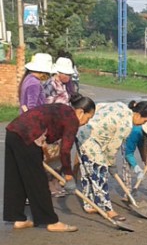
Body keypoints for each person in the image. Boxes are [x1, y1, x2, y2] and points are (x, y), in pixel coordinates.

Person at [3, 94, 95, 232]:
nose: (86, 122)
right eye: (88, 118)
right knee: (38, 181)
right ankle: (51, 222)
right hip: (27, 138)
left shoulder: (64, 109)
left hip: (13, 132)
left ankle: (18, 218)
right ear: (81, 112)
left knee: (16, 178)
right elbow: (65, 150)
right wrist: (68, 175)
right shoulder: (72, 119)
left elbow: (47, 125)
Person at [76, 100, 147, 221]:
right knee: (100, 174)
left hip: (81, 132)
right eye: (144, 121)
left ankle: (89, 204)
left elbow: (100, 106)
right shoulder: (126, 125)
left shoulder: (121, 105)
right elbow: (113, 148)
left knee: (88, 173)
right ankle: (108, 209)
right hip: (91, 141)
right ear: (138, 115)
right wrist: (111, 165)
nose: (142, 124)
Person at [43, 57, 76, 197]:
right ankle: (50, 185)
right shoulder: (50, 85)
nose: (68, 77)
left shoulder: (66, 85)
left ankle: (57, 182)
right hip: (53, 127)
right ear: (58, 72)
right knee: (50, 157)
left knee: (59, 157)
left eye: (69, 74)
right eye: (66, 74)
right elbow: (47, 108)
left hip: (63, 127)